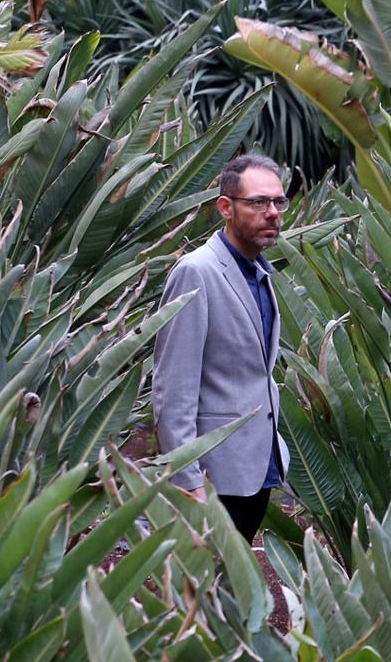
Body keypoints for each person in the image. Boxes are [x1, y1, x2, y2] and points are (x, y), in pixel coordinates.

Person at [153, 154, 291, 542]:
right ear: (225, 208)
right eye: (259, 202)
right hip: (214, 479)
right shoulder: (196, 272)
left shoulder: (260, 272)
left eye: (279, 202)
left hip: (256, 468)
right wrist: (188, 481)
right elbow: (173, 389)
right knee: (204, 592)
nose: (273, 213)